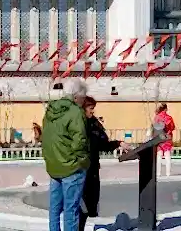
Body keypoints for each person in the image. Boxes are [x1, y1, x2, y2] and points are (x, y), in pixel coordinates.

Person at [42, 79, 90, 231]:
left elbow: (46, 137)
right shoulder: (75, 112)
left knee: (54, 209)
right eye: (83, 98)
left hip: (54, 166)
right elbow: (80, 141)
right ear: (76, 96)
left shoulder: (50, 110)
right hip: (71, 167)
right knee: (71, 210)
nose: (84, 101)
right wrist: (83, 162)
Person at [76, 97, 129, 231]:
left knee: (92, 203)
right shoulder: (75, 124)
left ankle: (86, 226)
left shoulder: (95, 124)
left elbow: (103, 144)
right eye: (90, 109)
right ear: (83, 108)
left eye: (93, 109)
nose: (92, 112)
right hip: (78, 169)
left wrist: (118, 143)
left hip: (92, 169)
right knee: (79, 204)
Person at [153, 104, 176, 177]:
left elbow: (154, 128)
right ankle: (168, 173)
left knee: (159, 156)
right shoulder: (169, 118)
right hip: (167, 138)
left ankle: (158, 173)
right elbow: (173, 127)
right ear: (165, 109)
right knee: (167, 156)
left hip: (159, 138)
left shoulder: (157, 117)